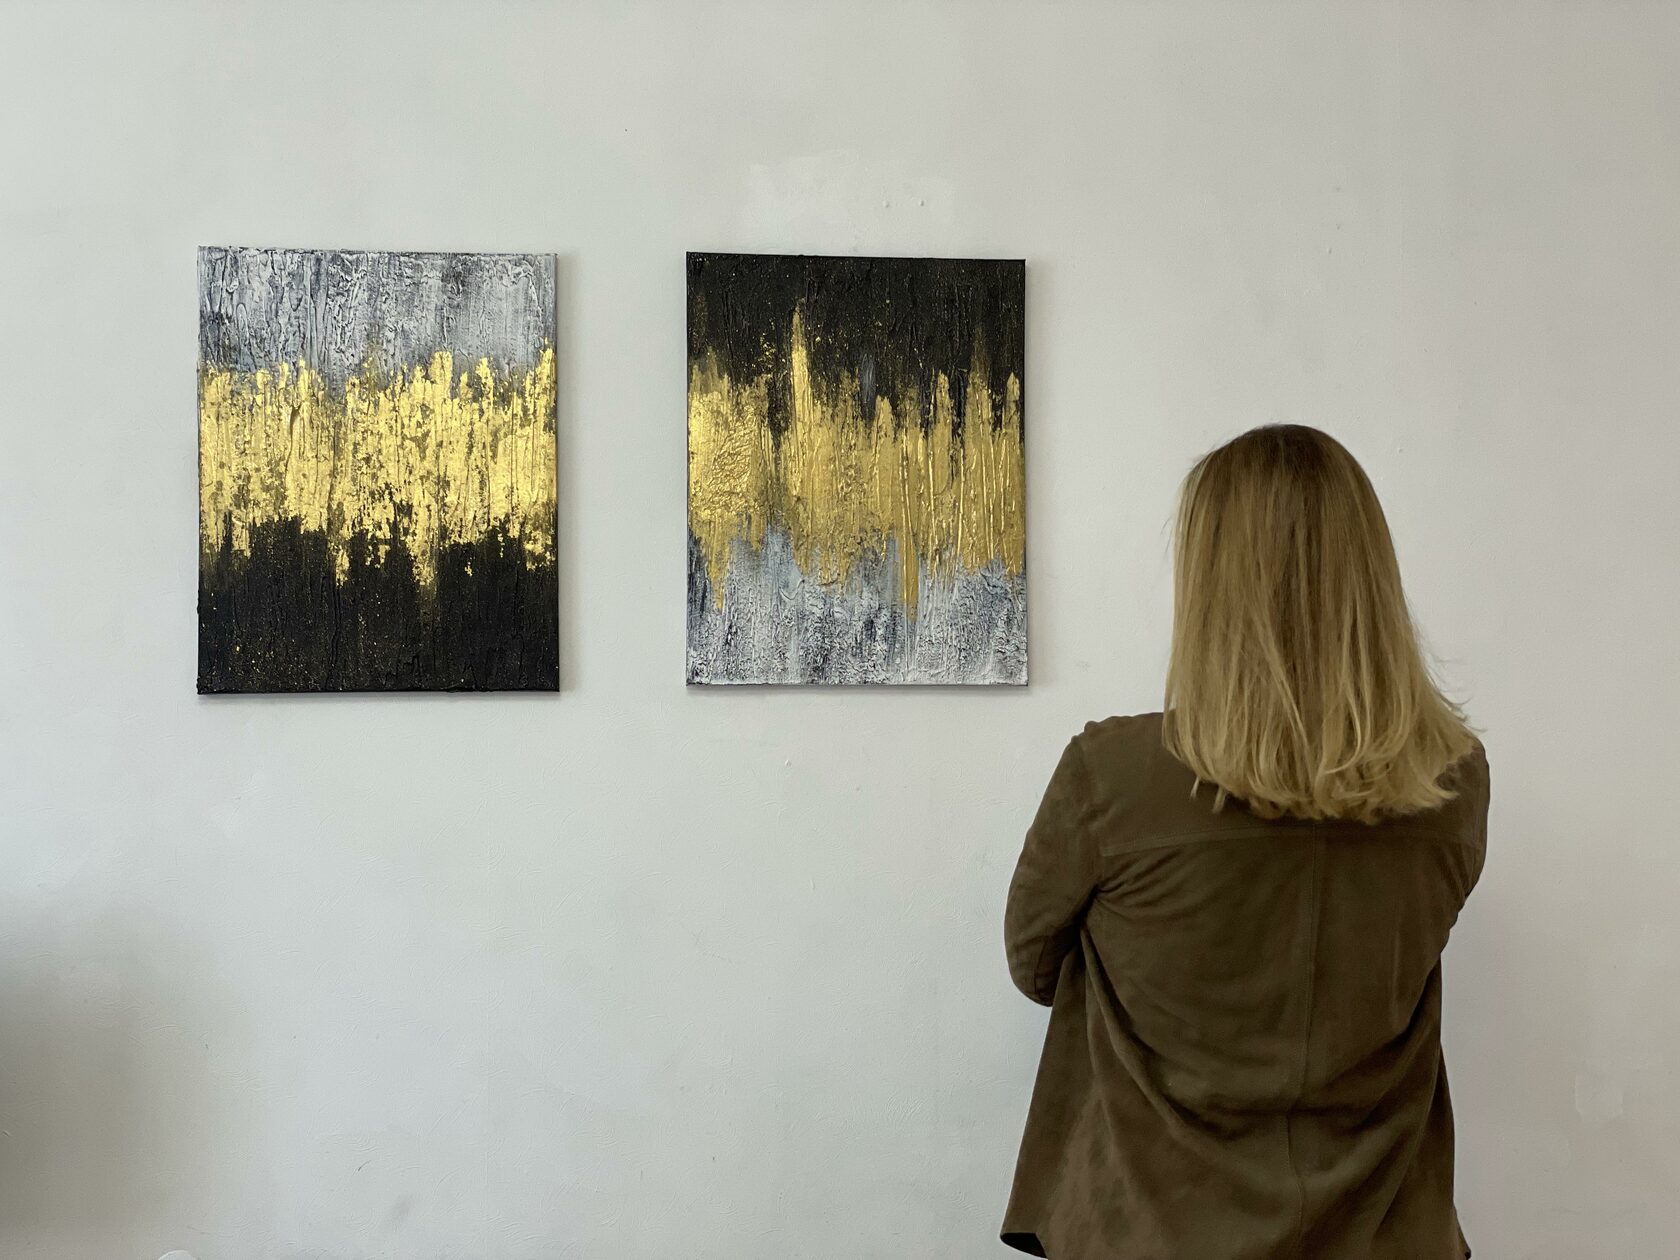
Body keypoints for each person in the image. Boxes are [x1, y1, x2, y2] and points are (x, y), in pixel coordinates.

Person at [1002, 425, 1487, 1259]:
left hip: (1152, 1230)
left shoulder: (1111, 776)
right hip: (1382, 1231)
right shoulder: (1454, 781)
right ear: (1370, 576)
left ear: (1209, 582)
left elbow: (1035, 966)